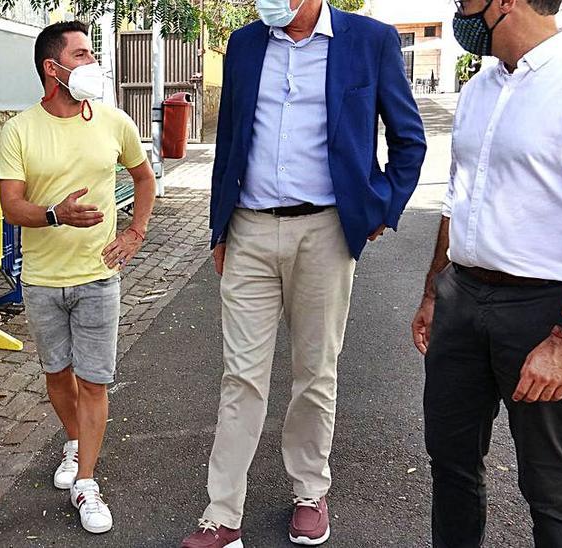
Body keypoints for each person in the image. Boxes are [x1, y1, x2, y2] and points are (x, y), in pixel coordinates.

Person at [410, 1, 562, 546]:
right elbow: (458, 198)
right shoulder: (480, 88)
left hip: (548, 310)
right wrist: (434, 292)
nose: (459, 10)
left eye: (464, 2)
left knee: (553, 490)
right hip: (463, 300)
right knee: (450, 467)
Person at [182, 0, 426, 546]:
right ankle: (222, 513)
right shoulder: (245, 45)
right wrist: (220, 228)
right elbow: (230, 143)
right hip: (248, 229)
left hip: (325, 230)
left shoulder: (370, 41)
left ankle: (310, 491)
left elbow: (409, 138)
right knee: (240, 374)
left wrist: (381, 206)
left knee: (315, 371)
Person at [0, 20, 156, 535]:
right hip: (42, 279)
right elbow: (11, 205)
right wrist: (56, 215)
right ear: (52, 67)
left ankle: (86, 479)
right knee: (57, 375)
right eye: (82, 54)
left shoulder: (113, 121)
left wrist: (136, 233)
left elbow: (144, 175)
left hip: (98, 275)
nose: (92, 63)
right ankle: (75, 441)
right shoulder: (19, 130)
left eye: (91, 53)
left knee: (94, 380)